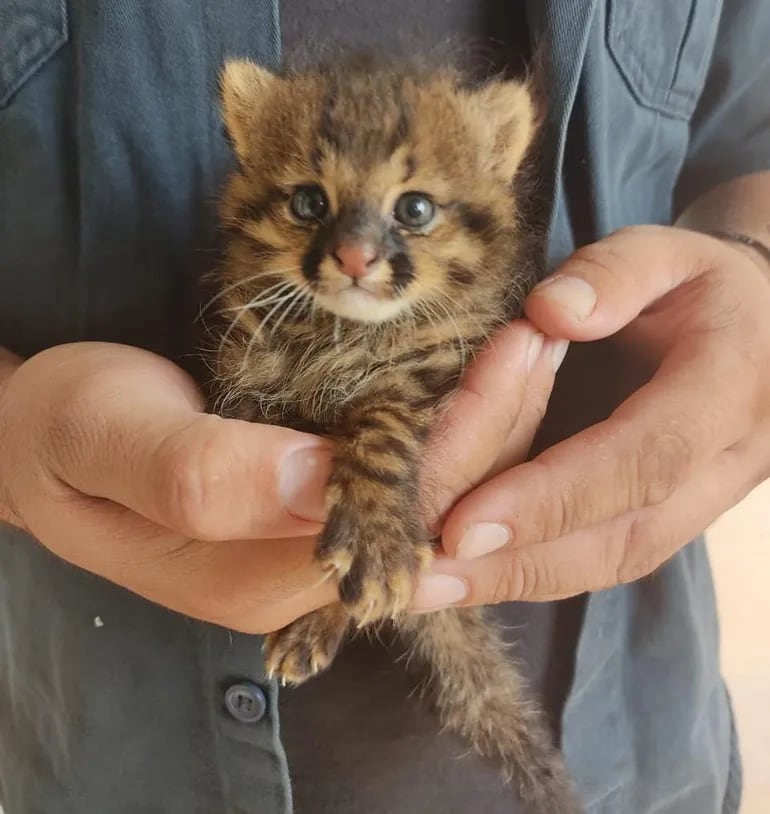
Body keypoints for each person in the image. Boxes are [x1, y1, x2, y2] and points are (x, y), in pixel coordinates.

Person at [0, 2, 768, 812]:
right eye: (309, 203)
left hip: (641, 744)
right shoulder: (255, 311)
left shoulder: (455, 309)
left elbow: (750, 138)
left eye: (414, 210)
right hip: (117, 760)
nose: (357, 254)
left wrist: (755, 277)